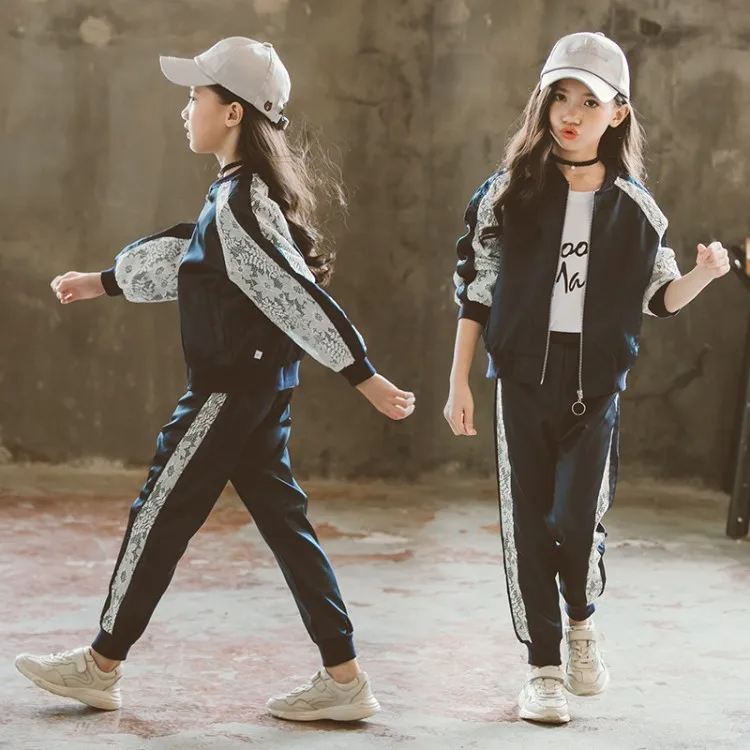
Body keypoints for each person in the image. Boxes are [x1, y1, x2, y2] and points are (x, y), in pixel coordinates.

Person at [16, 37, 415, 723]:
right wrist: (103, 280)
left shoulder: (240, 205)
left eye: (196, 96)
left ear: (233, 112)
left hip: (228, 392)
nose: (186, 108)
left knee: (158, 512)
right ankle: (344, 678)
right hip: (260, 391)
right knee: (287, 528)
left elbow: (294, 294)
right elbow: (191, 257)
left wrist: (363, 376)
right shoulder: (238, 196)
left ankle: (101, 665)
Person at [444, 31, 729, 724]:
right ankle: (542, 668)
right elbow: (476, 292)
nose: (570, 114)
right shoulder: (506, 194)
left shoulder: (637, 208)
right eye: (560, 97)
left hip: (594, 388)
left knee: (575, 521)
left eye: (589, 102)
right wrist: (459, 383)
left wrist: (704, 274)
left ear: (618, 113)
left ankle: (581, 621)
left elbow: (659, 298)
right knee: (527, 528)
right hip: (521, 383)